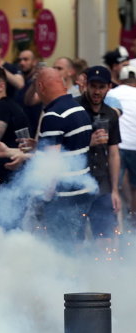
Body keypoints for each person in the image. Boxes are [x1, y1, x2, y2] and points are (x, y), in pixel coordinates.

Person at [0, 68, 94, 244]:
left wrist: (44, 200)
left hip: (62, 198)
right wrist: (27, 150)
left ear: (41, 87)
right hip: (82, 193)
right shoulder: (77, 108)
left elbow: (49, 166)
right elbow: (67, 152)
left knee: (59, 250)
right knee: (75, 247)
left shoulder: (53, 115)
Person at [75, 66, 122, 243]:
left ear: (109, 87)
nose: (96, 91)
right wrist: (88, 142)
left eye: (101, 87)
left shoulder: (110, 114)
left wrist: (115, 190)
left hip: (102, 183)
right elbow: (62, 147)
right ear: (86, 85)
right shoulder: (74, 109)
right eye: (93, 86)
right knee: (75, 240)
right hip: (77, 184)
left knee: (106, 238)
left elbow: (114, 153)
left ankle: (104, 270)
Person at [107, 65, 136, 224]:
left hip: (117, 147)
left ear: (121, 80)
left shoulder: (112, 92)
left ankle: (117, 225)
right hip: (135, 145)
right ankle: (133, 220)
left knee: (115, 188)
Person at [14, 49, 42, 133]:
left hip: (34, 128)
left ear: (34, 62)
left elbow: (30, 101)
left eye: (26, 59)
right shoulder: (19, 80)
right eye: (20, 60)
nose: (22, 63)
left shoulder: (39, 80)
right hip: (20, 129)